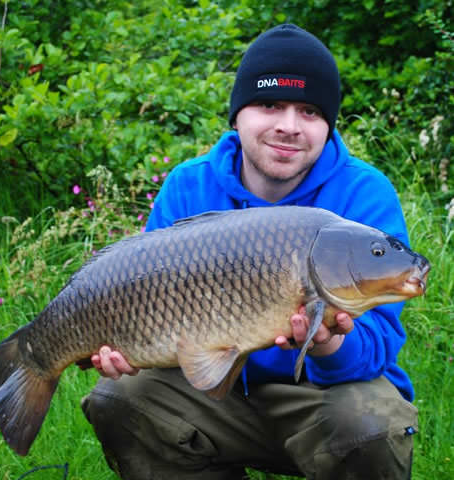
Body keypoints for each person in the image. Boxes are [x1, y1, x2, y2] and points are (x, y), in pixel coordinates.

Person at [81, 24, 418, 479]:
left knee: (372, 424)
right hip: (211, 398)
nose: (289, 126)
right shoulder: (189, 185)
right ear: (237, 115)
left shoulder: (363, 194)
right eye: (269, 104)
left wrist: (327, 343)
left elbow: (378, 345)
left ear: (328, 125)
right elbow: (139, 292)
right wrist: (120, 347)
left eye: (310, 111)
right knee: (118, 398)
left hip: (322, 401)